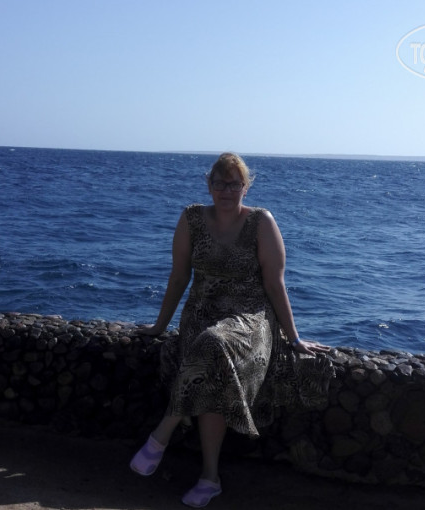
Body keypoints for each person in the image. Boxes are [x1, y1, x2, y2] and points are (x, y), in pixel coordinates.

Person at [130, 152, 334, 508]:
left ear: (246, 187)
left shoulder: (260, 222)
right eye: (220, 183)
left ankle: (163, 432)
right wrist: (160, 325)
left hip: (250, 318)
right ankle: (210, 478)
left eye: (234, 184)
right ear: (209, 185)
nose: (226, 190)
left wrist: (294, 338)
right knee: (212, 363)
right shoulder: (192, 218)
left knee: (213, 343)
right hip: (199, 314)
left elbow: (275, 284)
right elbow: (179, 277)